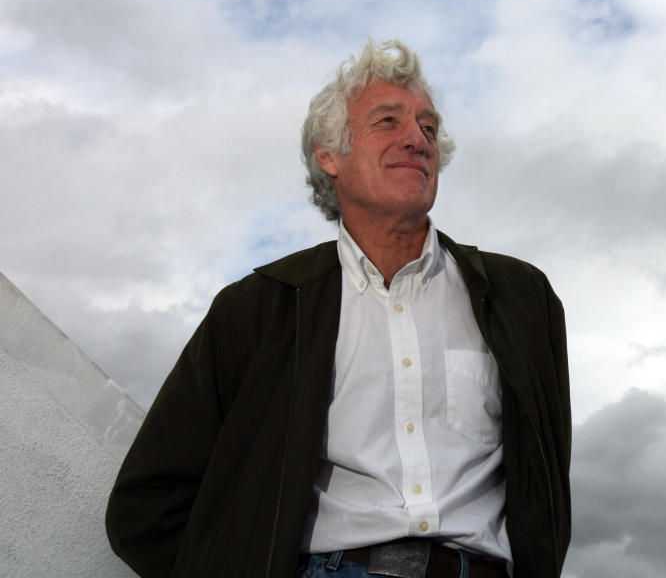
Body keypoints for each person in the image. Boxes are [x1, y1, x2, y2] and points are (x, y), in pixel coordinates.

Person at [106, 39, 570, 578]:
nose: (417, 140)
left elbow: (548, 487)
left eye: (427, 126)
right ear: (330, 155)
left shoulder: (521, 297)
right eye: (388, 121)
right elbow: (148, 505)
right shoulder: (260, 307)